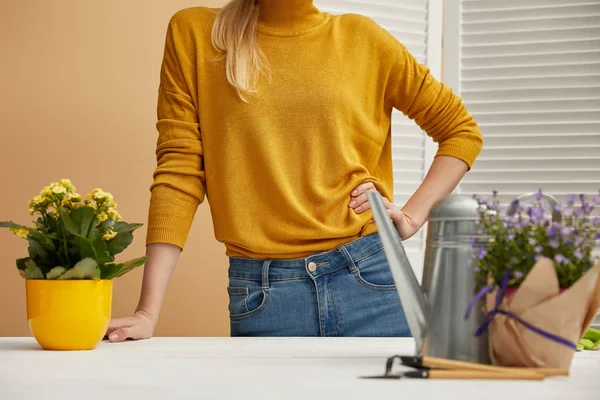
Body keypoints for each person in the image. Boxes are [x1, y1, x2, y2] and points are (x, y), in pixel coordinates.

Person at [106, 0, 483, 341]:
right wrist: (147, 312)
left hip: (372, 280)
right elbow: (179, 171)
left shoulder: (361, 38)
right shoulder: (195, 34)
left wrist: (413, 217)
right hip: (264, 294)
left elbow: (461, 132)